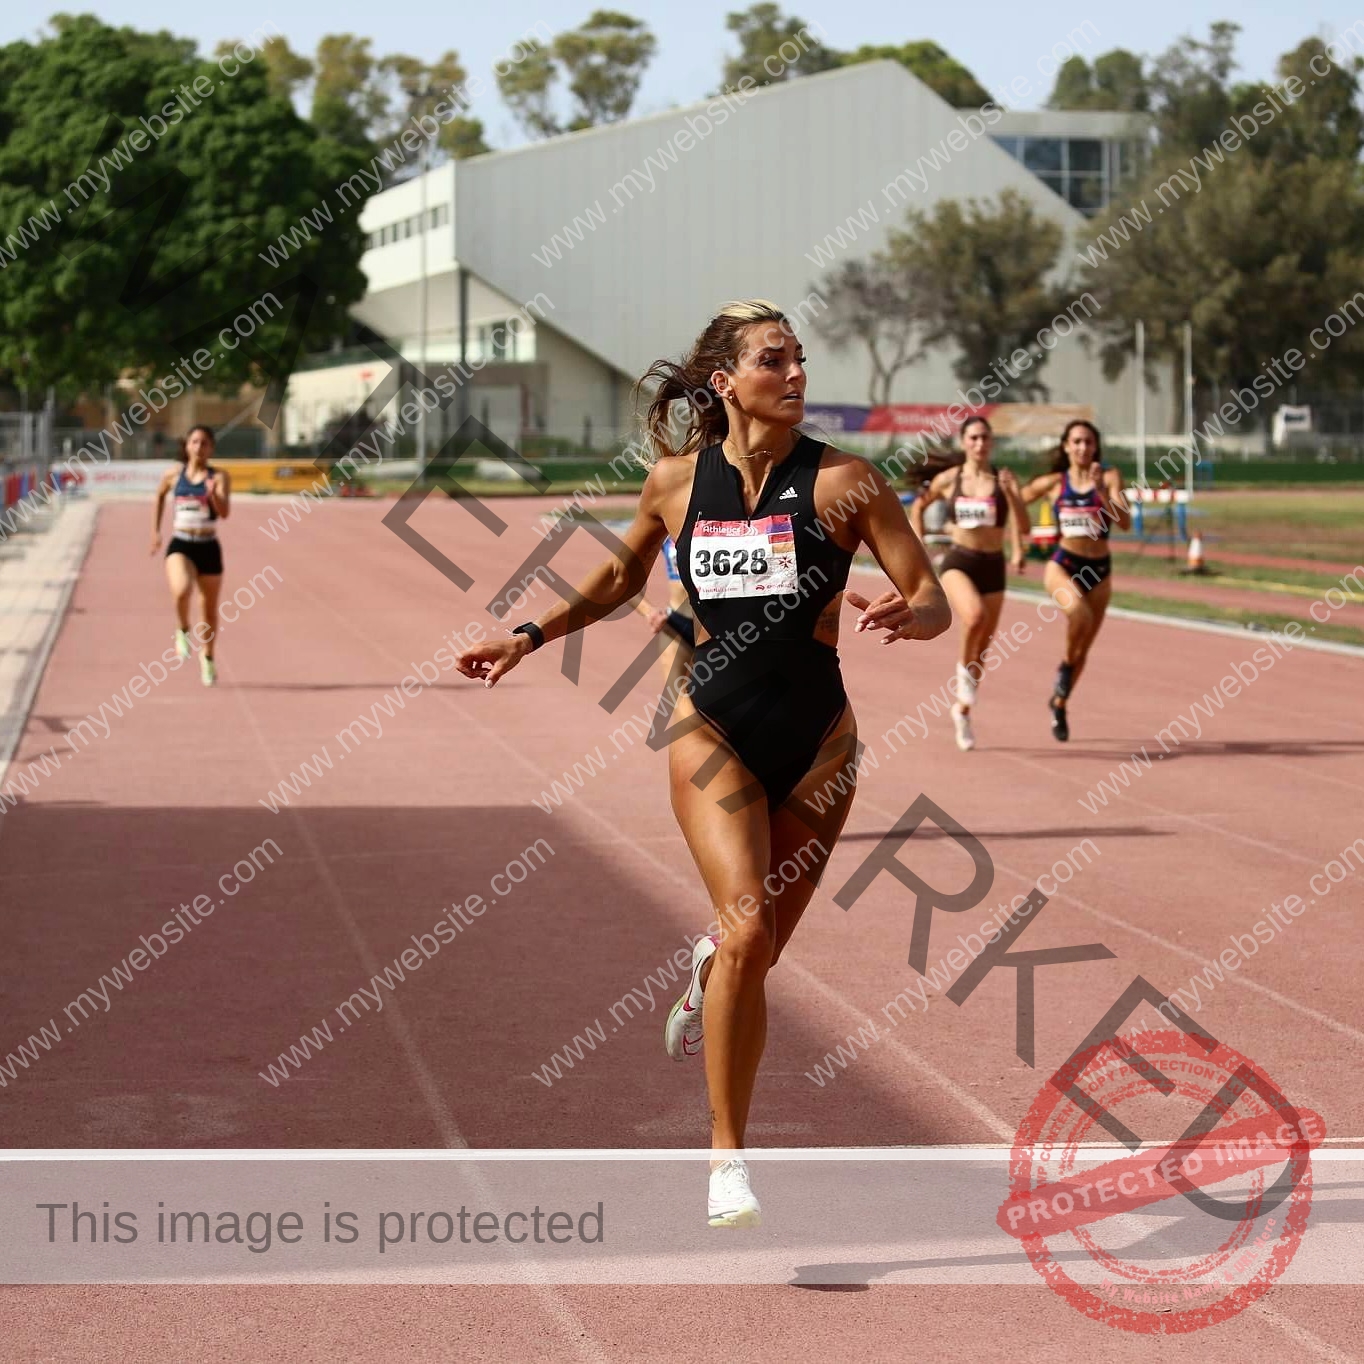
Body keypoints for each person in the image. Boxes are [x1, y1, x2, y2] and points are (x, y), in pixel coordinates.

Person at [456, 300, 949, 1228]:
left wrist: (911, 616)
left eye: (802, 358)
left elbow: (931, 598)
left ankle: (711, 966)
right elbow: (615, 580)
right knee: (750, 933)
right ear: (726, 383)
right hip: (708, 725)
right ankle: (727, 1157)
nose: (797, 374)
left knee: (747, 961)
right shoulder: (674, 484)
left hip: (820, 744)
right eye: (775, 360)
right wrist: (529, 632)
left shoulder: (850, 483)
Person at [909, 416, 1028, 751]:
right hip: (958, 560)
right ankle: (963, 683)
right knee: (974, 617)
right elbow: (919, 505)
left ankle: (962, 711)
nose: (980, 444)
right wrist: (919, 546)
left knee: (985, 646)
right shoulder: (950, 479)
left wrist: (1018, 545)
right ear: (964, 442)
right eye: (973, 438)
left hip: (994, 566)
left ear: (992, 442)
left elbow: (1023, 523)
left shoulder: (1003, 479)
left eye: (985, 438)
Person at [1021, 419, 1130, 740]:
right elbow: (1013, 499)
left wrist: (1100, 493)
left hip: (1100, 568)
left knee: (1083, 650)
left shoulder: (1109, 477)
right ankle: (1064, 669)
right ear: (1066, 446)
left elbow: (1124, 522)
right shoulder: (1055, 483)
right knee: (1078, 615)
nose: (1083, 448)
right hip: (1064, 564)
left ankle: (1060, 701)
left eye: (1088, 442)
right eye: (1077, 442)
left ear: (1096, 447)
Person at [150, 425, 230, 686]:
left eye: (205, 443)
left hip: (208, 545)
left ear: (212, 448)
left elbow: (225, 512)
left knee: (208, 610)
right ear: (186, 446)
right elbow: (159, 496)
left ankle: (207, 657)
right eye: (194, 442)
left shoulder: (219, 477)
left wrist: (212, 496)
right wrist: (155, 531)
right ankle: (182, 628)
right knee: (182, 590)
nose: (199, 447)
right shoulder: (174, 475)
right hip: (181, 542)